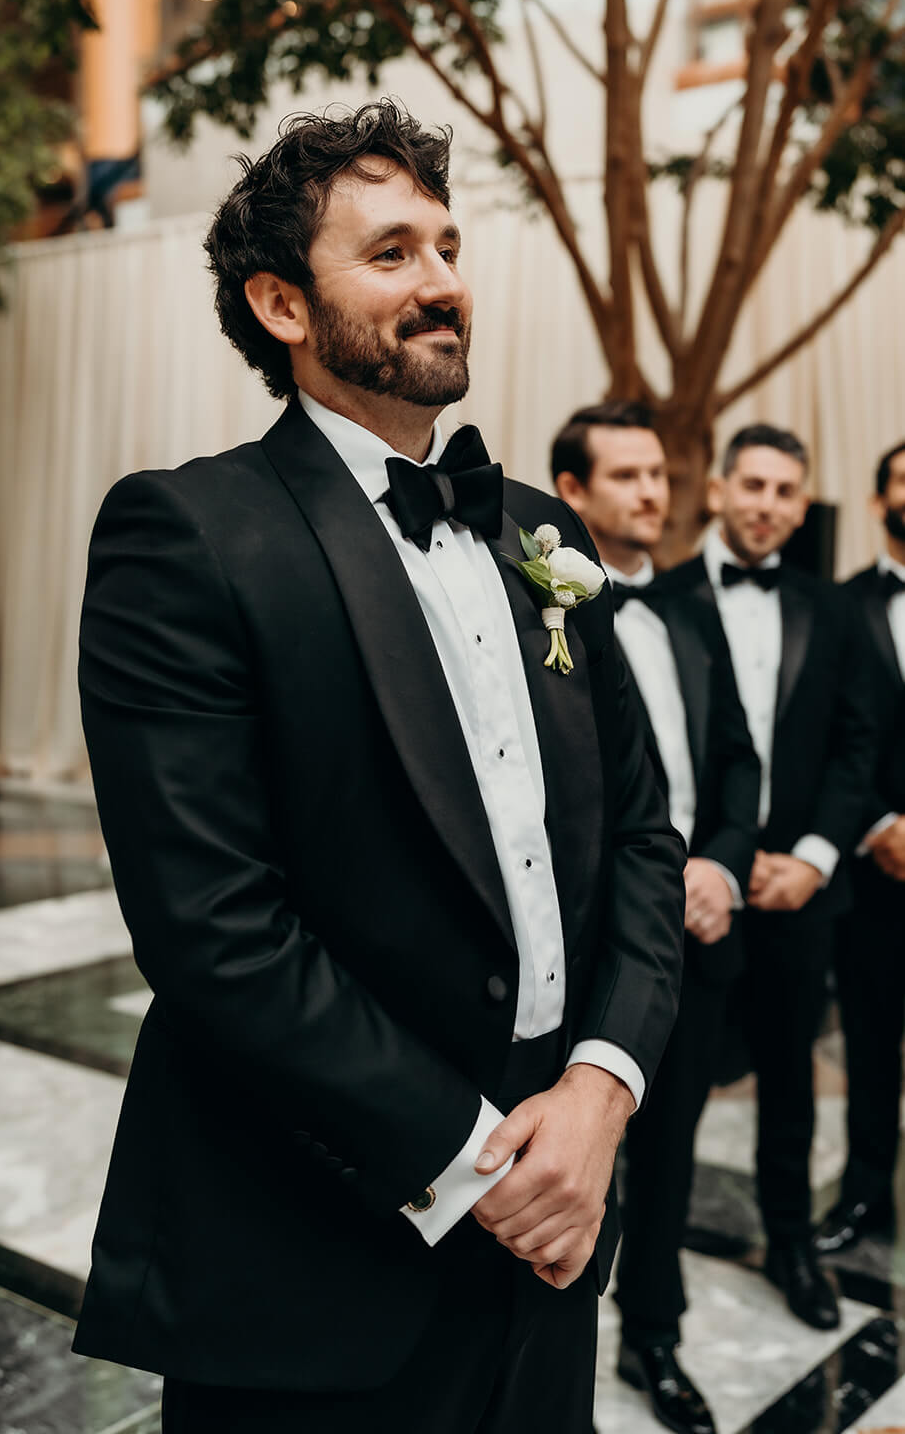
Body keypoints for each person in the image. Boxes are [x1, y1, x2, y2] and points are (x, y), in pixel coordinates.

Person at [72, 101, 686, 1434]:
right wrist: (478, 1166)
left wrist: (596, 1093)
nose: (443, 283)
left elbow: (640, 834)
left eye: (450, 247)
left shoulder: (540, 533)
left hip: (555, 1243)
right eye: (392, 253)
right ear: (283, 303)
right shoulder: (184, 536)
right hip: (315, 1250)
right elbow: (212, 928)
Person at [552, 402, 759, 1434]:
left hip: (695, 937)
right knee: (572, 1155)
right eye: (625, 476)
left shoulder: (689, 615)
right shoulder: (534, 614)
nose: (650, 493)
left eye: (658, 477)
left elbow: (735, 762)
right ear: (571, 493)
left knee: (669, 1152)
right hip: (589, 946)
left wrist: (721, 863)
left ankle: (655, 1333)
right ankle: (547, 1360)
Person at [656, 425, 875, 1332]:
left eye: (787, 491)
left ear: (802, 502)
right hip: (693, 896)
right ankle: (650, 1287)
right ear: (716, 489)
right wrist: (702, 863)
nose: (767, 506)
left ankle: (790, 1245)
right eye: (752, 485)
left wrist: (816, 859)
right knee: (669, 1101)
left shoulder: (834, 612)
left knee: (790, 1081)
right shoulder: (657, 602)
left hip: (795, 891)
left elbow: (856, 747)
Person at [815, 440, 905, 1254]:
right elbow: (833, 738)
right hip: (878, 873)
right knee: (871, 1044)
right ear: (880, 500)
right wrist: (878, 826)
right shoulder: (842, 608)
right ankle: (865, 1197)